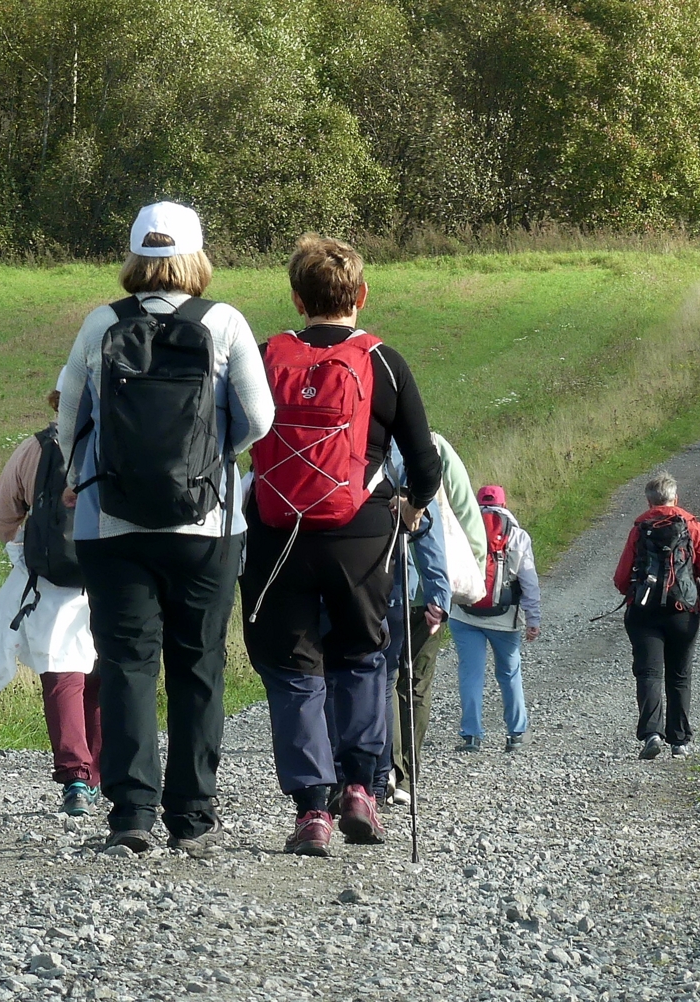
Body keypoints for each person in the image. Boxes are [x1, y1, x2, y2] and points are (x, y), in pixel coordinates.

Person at [57, 201, 274, 855]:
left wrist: (81, 468)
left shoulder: (101, 324)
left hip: (112, 523)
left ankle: (131, 814)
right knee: (198, 664)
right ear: (196, 256)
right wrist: (214, 458)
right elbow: (260, 418)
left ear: (136, 256)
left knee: (125, 662)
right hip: (207, 524)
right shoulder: (224, 322)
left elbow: (70, 416)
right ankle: (193, 817)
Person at [241, 233, 441, 857]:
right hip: (361, 532)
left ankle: (311, 811)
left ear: (296, 299)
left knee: (295, 668)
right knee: (361, 657)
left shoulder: (266, 354)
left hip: (278, 532)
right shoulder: (382, 361)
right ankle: (361, 789)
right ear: (361, 294)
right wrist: (410, 506)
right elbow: (425, 460)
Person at [0, 371, 102, 816]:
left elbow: (1, 517)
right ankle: (106, 772)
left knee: (62, 674)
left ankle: (75, 777)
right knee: (105, 674)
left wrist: (26, 546)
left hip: (52, 579)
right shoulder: (122, 447)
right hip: (112, 573)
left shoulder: (36, 448)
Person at [383, 433, 483, 806]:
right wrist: (471, 569)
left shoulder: (368, 441)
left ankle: (389, 770)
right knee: (417, 684)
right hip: (431, 589)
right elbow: (468, 513)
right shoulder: (436, 447)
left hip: (383, 581)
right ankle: (408, 776)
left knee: (385, 678)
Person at [613, 470, 700, 760]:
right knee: (679, 675)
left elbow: (622, 576)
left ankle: (652, 733)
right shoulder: (693, 526)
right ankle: (680, 741)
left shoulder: (640, 527)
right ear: (675, 498)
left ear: (649, 502)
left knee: (649, 673)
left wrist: (632, 592)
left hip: (644, 612)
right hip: (683, 612)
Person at [449, 485, 540, 753]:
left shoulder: (463, 529)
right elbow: (530, 583)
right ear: (504, 503)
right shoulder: (518, 536)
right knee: (509, 674)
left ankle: (472, 736)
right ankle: (516, 734)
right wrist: (532, 619)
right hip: (505, 619)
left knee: (470, 674)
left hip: (464, 615)